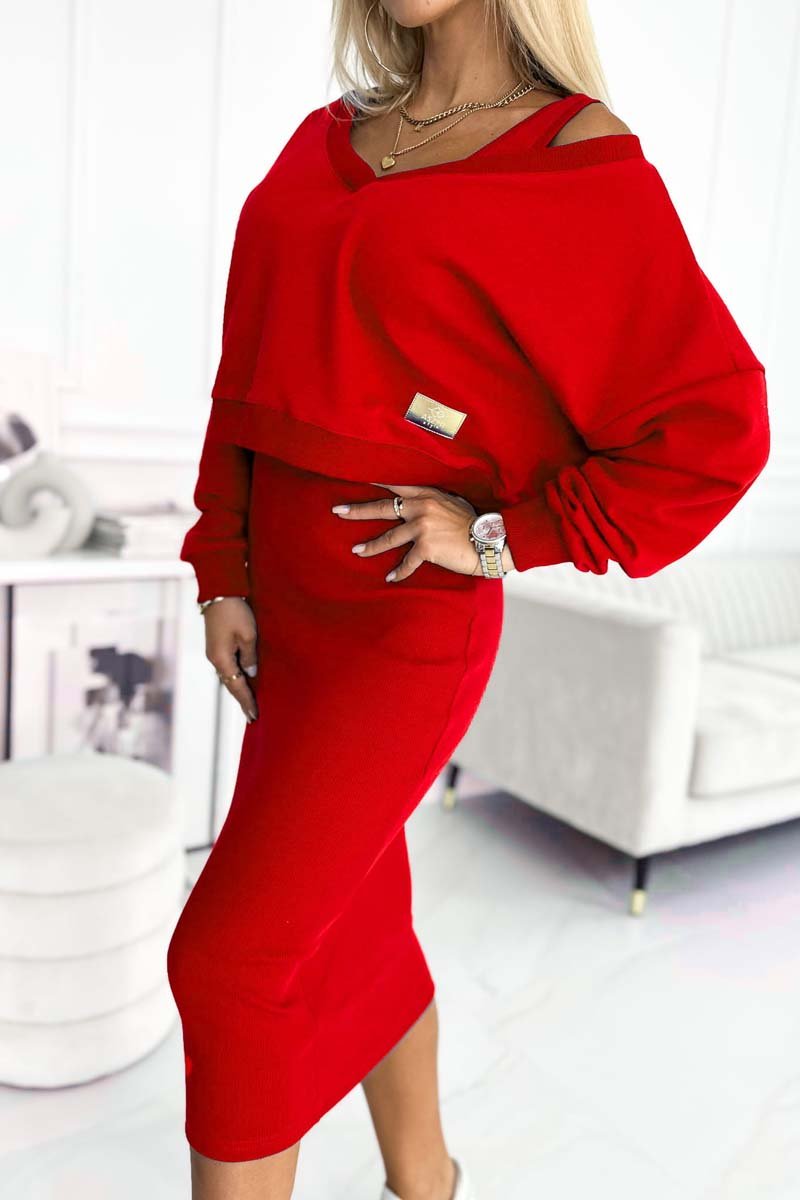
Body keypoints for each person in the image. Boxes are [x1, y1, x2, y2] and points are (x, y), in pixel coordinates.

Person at [166, 1, 770, 1197]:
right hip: (278, 610)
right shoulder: (329, 136)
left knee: (229, 965)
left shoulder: (575, 157)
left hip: (400, 628)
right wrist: (222, 565)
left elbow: (714, 430)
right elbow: (247, 373)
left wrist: (502, 536)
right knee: (355, 916)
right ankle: (427, 1181)